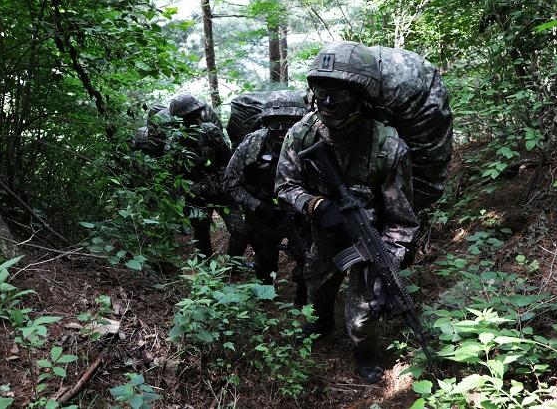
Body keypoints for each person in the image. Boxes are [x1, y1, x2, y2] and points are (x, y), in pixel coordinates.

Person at [275, 41, 423, 384]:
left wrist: (387, 258)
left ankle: (364, 352)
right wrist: (314, 204)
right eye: (322, 92)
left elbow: (402, 219)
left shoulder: (387, 147)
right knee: (317, 290)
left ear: (361, 96)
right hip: (324, 236)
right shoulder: (301, 134)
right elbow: (284, 186)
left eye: (338, 95)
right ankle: (321, 325)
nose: (327, 103)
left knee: (362, 315)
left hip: (369, 240)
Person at [223, 91, 309, 303]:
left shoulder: (311, 142)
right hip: (262, 214)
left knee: (306, 259)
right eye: (274, 123)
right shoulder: (253, 143)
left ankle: (303, 304)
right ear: (265, 122)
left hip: (299, 213)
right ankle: (265, 300)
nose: (281, 130)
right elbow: (230, 182)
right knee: (265, 260)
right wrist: (258, 206)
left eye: (288, 123)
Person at [168, 94, 249, 259]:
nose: (196, 118)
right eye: (189, 116)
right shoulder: (174, 142)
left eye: (196, 113)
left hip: (221, 190)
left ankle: (235, 266)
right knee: (201, 234)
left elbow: (229, 159)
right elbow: (174, 174)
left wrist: (234, 184)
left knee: (240, 230)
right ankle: (206, 272)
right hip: (196, 196)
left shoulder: (210, 130)